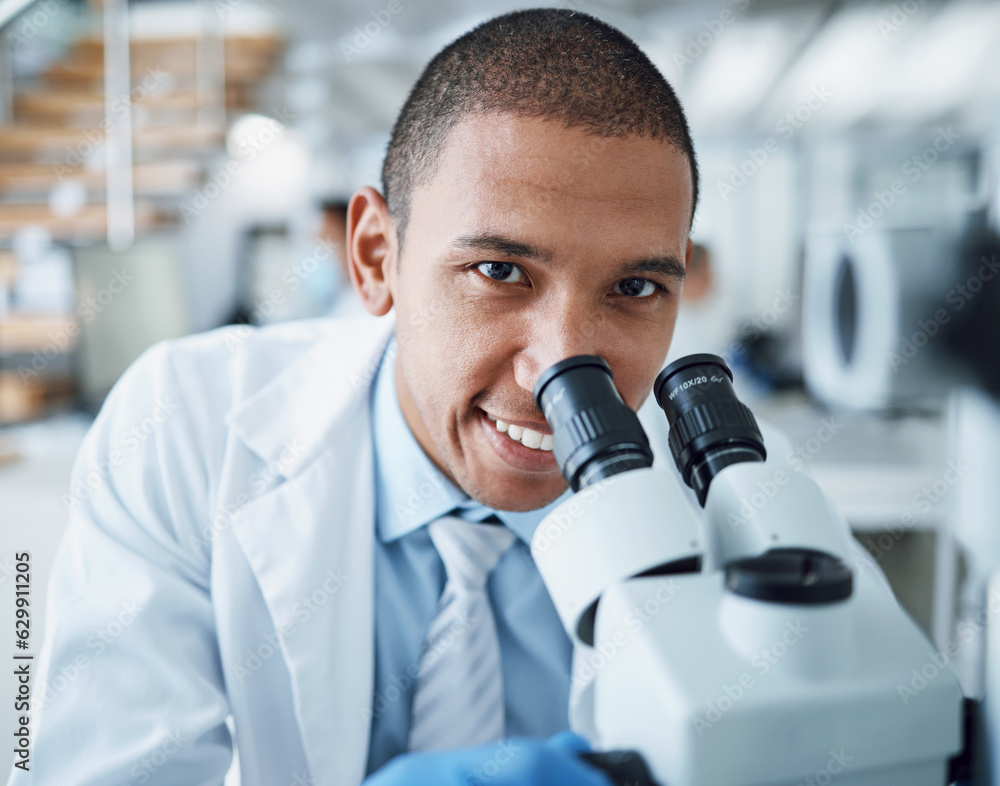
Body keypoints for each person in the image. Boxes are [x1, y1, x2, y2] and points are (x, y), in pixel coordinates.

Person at [10, 9, 704, 786]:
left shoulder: (734, 503)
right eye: (500, 272)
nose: (561, 367)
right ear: (376, 257)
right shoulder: (184, 426)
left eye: (635, 287)